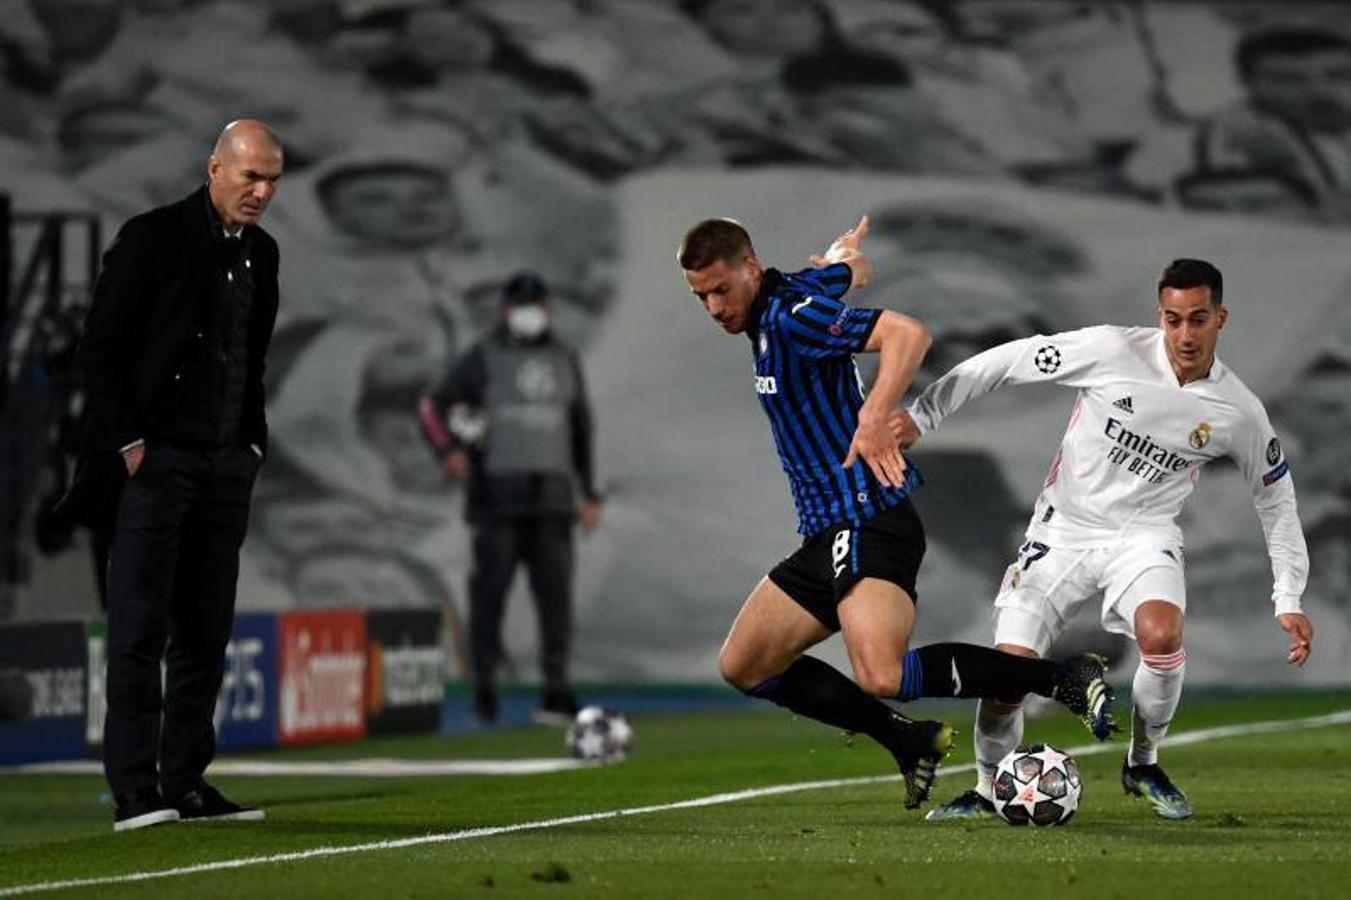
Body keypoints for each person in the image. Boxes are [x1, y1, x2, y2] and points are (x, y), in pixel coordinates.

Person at [676, 216, 1115, 811]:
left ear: (750, 268)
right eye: (700, 295)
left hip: (867, 518)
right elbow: (842, 274)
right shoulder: (783, 300)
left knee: (882, 675)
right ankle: (908, 741)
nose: (712, 307)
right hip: (828, 533)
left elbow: (907, 334)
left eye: (720, 290)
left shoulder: (790, 317)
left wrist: (874, 414)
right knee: (745, 663)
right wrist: (846, 259)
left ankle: (1061, 677)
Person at [906, 258, 1313, 822]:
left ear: (1221, 318)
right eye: (1173, 320)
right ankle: (984, 785)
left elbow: (1276, 497)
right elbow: (1009, 360)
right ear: (1160, 317)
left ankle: (1142, 762)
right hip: (1061, 533)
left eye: (1198, 320)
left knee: (1161, 633)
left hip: (1143, 538)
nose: (1185, 334)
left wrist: (1288, 595)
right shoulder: (1111, 350)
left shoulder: (1238, 412)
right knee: (1008, 672)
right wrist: (923, 416)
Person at [61, 119, 283, 831]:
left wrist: (250, 444)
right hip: (156, 464)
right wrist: (130, 443)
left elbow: (249, 362)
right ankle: (134, 793)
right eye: (249, 175)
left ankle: (187, 782)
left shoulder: (263, 256)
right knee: (138, 627)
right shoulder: (153, 238)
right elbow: (99, 349)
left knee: (206, 630)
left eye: (272, 179)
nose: (261, 191)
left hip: (223, 466)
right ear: (214, 168)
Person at [418, 271, 601, 725]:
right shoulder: (483, 357)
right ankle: (484, 691)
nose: (529, 313)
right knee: (489, 599)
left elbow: (580, 429)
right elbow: (431, 407)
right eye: (521, 305)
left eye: (536, 304)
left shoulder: (564, 359)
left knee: (555, 602)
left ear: (548, 309)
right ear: (504, 310)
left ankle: (554, 691)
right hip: (496, 499)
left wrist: (589, 492)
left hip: (553, 500)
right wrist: (448, 451)